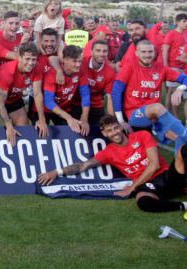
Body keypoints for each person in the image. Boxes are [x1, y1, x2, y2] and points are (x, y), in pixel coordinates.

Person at [39, 115, 187, 213]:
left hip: (167, 176)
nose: (114, 133)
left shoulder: (142, 136)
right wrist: (55, 172)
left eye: (116, 128)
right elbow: (83, 165)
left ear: (121, 127)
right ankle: (182, 206)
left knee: (183, 150)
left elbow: (154, 165)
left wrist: (132, 188)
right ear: (104, 134)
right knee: (143, 202)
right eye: (109, 131)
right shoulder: (108, 152)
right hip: (149, 185)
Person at [112, 39, 187, 153]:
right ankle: (185, 133)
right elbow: (116, 92)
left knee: (179, 140)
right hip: (135, 115)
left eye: (150, 52)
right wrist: (121, 121)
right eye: (143, 52)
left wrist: (179, 89)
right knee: (157, 107)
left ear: (155, 53)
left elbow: (184, 78)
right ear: (137, 53)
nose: (147, 55)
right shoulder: (129, 67)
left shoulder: (161, 68)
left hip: (155, 117)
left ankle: (179, 167)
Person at [0, 43, 47, 144]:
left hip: (14, 98)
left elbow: (37, 94)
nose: (31, 63)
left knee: (24, 131)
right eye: (27, 59)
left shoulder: (37, 68)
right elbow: (0, 103)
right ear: (19, 58)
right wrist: (8, 124)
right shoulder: (8, 71)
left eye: (33, 59)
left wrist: (41, 119)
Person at [41, 45, 90, 135]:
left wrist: (84, 118)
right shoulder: (52, 73)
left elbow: (85, 94)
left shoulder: (81, 70)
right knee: (42, 135)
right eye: (75, 61)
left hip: (63, 108)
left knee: (70, 134)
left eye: (80, 61)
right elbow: (48, 102)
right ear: (65, 60)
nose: (78, 64)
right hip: (44, 110)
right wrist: (69, 118)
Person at [71, 40, 116, 124]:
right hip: (76, 103)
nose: (101, 54)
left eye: (104, 51)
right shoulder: (81, 63)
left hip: (96, 105)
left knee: (98, 131)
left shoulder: (110, 72)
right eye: (98, 50)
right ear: (91, 51)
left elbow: (109, 98)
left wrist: (112, 120)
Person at [161, 13, 187, 119]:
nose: (186, 23)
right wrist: (166, 66)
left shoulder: (185, 34)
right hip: (173, 66)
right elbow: (165, 49)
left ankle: (171, 115)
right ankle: (172, 116)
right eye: (184, 21)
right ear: (177, 22)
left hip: (183, 66)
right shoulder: (171, 33)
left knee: (177, 92)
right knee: (172, 91)